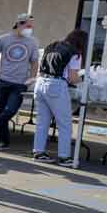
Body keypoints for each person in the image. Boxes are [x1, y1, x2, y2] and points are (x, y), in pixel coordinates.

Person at [0, 13, 39, 150]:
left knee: (10, 110)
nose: (30, 29)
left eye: (31, 26)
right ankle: (4, 142)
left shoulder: (32, 42)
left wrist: (31, 78)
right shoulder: (4, 39)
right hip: (2, 81)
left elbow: (35, 62)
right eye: (28, 25)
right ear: (19, 23)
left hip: (20, 84)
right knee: (2, 112)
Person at [32, 28, 86, 166]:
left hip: (40, 83)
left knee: (42, 122)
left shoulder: (52, 46)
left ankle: (38, 152)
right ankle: (64, 157)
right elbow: (73, 78)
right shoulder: (75, 53)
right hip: (56, 85)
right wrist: (85, 78)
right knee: (64, 123)